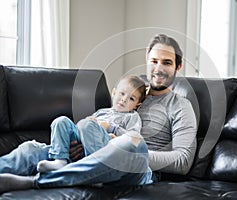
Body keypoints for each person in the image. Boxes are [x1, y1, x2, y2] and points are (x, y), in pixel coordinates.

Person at [0, 33, 197, 193]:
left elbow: (182, 162)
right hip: (87, 154)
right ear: (147, 60)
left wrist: (114, 150)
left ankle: (37, 182)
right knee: (31, 149)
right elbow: (95, 126)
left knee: (132, 144)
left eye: (167, 62)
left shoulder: (181, 106)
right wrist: (77, 142)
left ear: (178, 66)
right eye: (154, 61)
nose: (159, 68)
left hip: (136, 167)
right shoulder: (131, 94)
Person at [37, 75, 147, 173]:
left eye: (131, 98)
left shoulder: (132, 116)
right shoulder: (101, 112)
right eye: (122, 93)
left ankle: (95, 169)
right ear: (114, 93)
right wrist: (87, 122)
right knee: (61, 121)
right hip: (83, 144)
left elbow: (135, 139)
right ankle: (60, 160)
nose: (124, 99)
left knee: (88, 126)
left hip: (106, 144)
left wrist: (110, 128)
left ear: (137, 105)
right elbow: (84, 127)